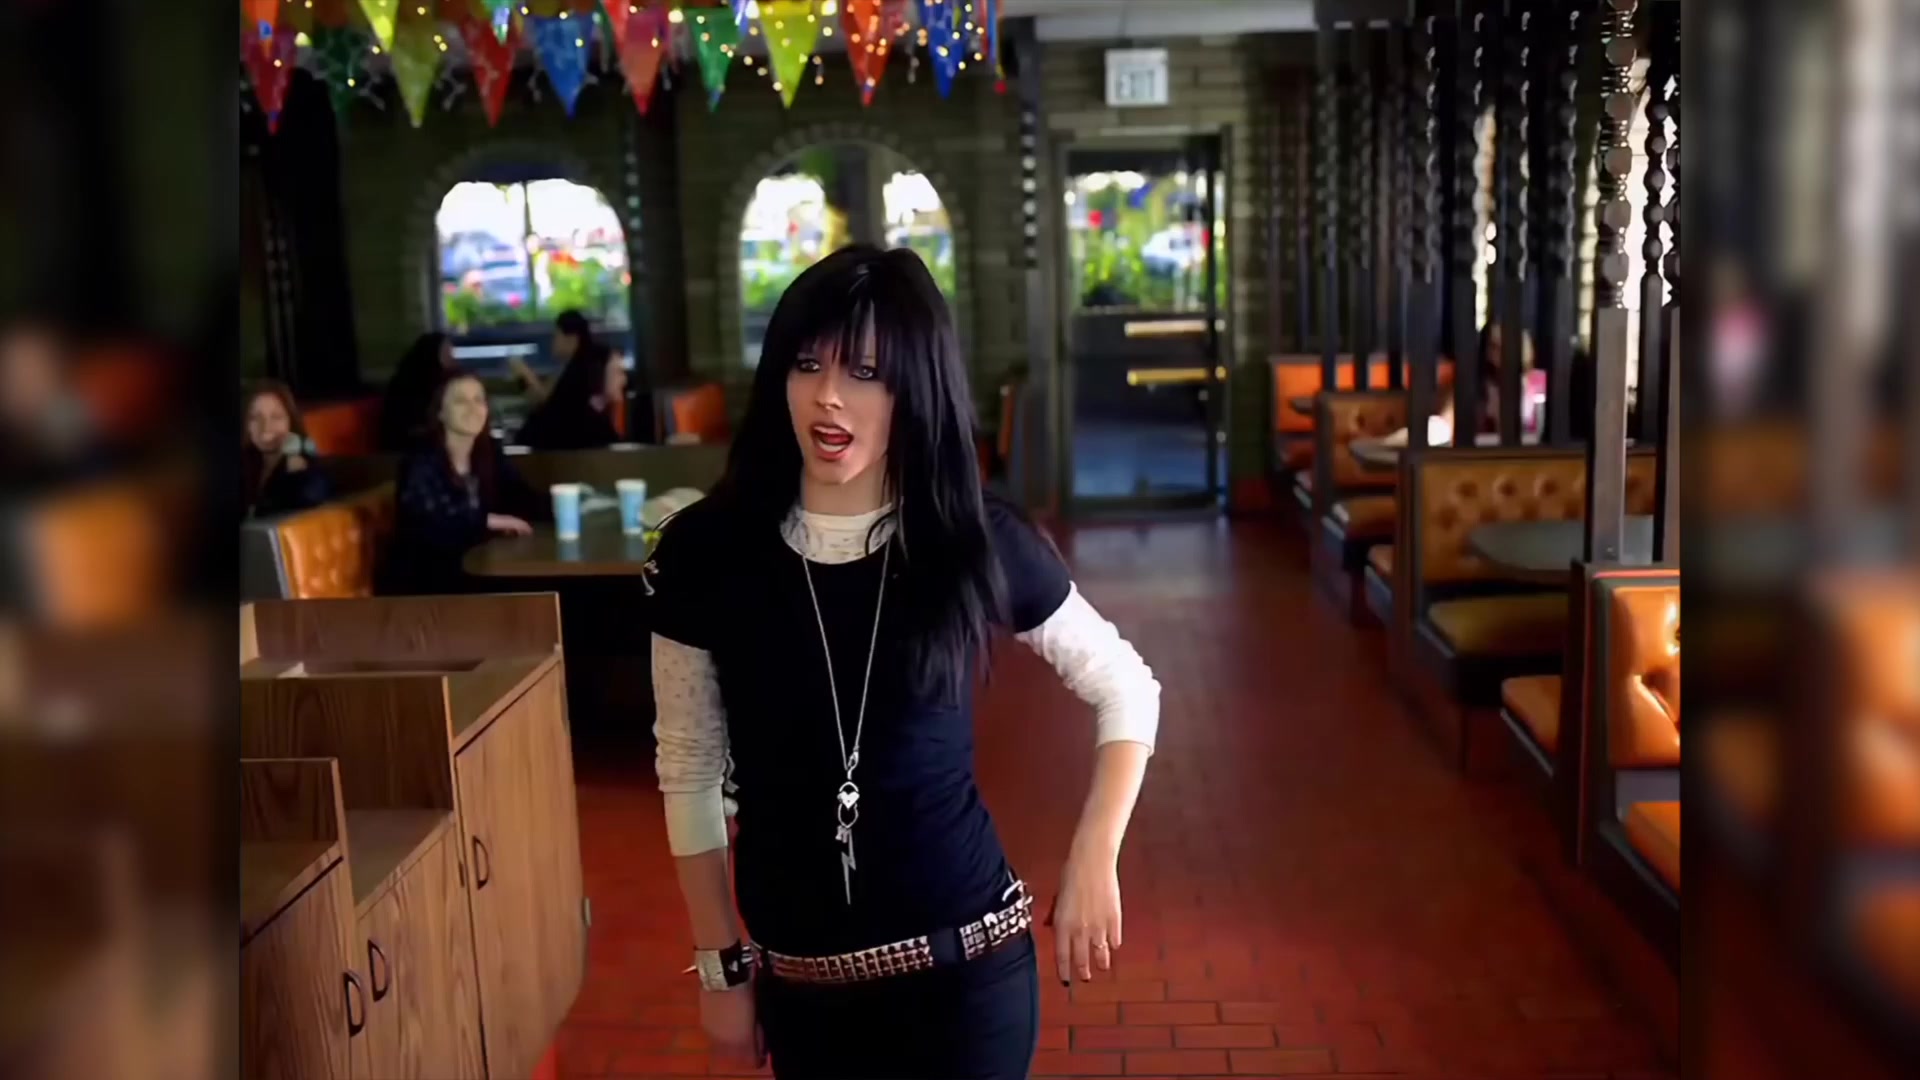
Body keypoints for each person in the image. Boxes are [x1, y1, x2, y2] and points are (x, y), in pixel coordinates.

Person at [645, 246, 1160, 1079]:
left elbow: (1127, 687)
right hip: (802, 992)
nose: (829, 395)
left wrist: (1095, 852)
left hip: (967, 977)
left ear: (915, 389)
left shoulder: (970, 539)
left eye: (867, 372)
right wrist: (721, 970)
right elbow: (688, 767)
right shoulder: (705, 553)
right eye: (807, 364)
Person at [381, 371, 544, 595]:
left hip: (477, 569)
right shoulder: (420, 458)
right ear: (440, 412)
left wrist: (571, 505)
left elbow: (521, 496)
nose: (472, 408)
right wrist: (488, 521)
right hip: (426, 583)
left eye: (479, 400)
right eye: (460, 401)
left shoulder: (489, 451)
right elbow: (430, 524)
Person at [242, 381, 331, 520]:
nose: (266, 426)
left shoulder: (304, 464)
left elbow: (312, 495)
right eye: (255, 418)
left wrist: (295, 467)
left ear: (291, 422)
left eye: (276, 417)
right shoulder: (246, 461)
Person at [511, 341, 625, 450]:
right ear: (598, 374)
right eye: (618, 372)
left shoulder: (593, 416)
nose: (624, 380)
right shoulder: (588, 425)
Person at [376, 332, 457, 452]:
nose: (452, 357)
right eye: (447, 352)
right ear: (432, 354)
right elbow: (408, 427)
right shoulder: (409, 385)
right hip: (408, 447)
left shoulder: (444, 380)